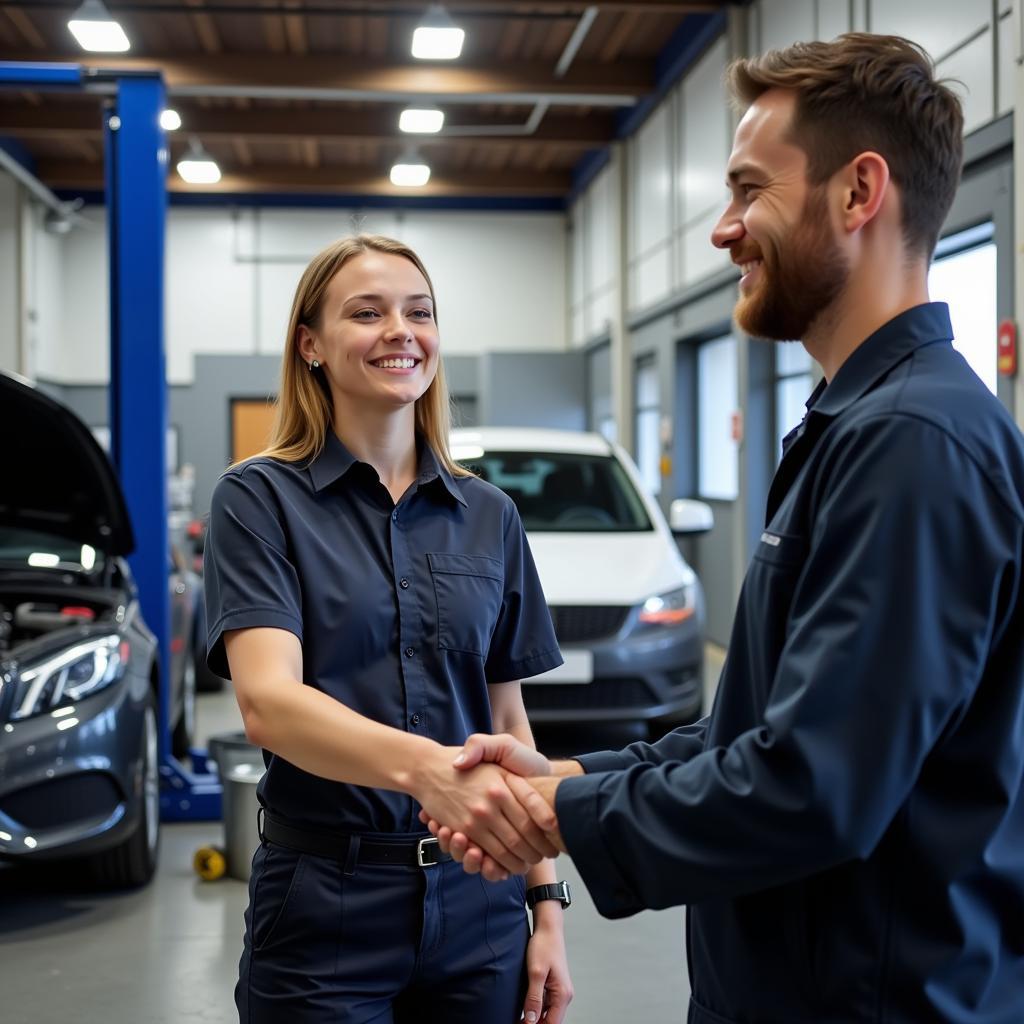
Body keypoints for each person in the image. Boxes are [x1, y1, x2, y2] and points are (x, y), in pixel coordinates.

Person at [422, 33, 1024, 1024]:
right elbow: (762, 723)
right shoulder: (853, 425)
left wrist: (559, 816)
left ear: (855, 192)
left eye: (748, 190)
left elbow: (812, 784)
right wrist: (573, 773)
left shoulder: (912, 444)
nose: (722, 229)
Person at [203, 233, 573, 1023]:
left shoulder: (491, 516)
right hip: (325, 906)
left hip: (484, 907)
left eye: (419, 313)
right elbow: (269, 703)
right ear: (311, 344)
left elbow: (507, 719)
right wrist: (427, 771)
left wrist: (547, 906)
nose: (400, 331)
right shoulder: (259, 501)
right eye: (366, 313)